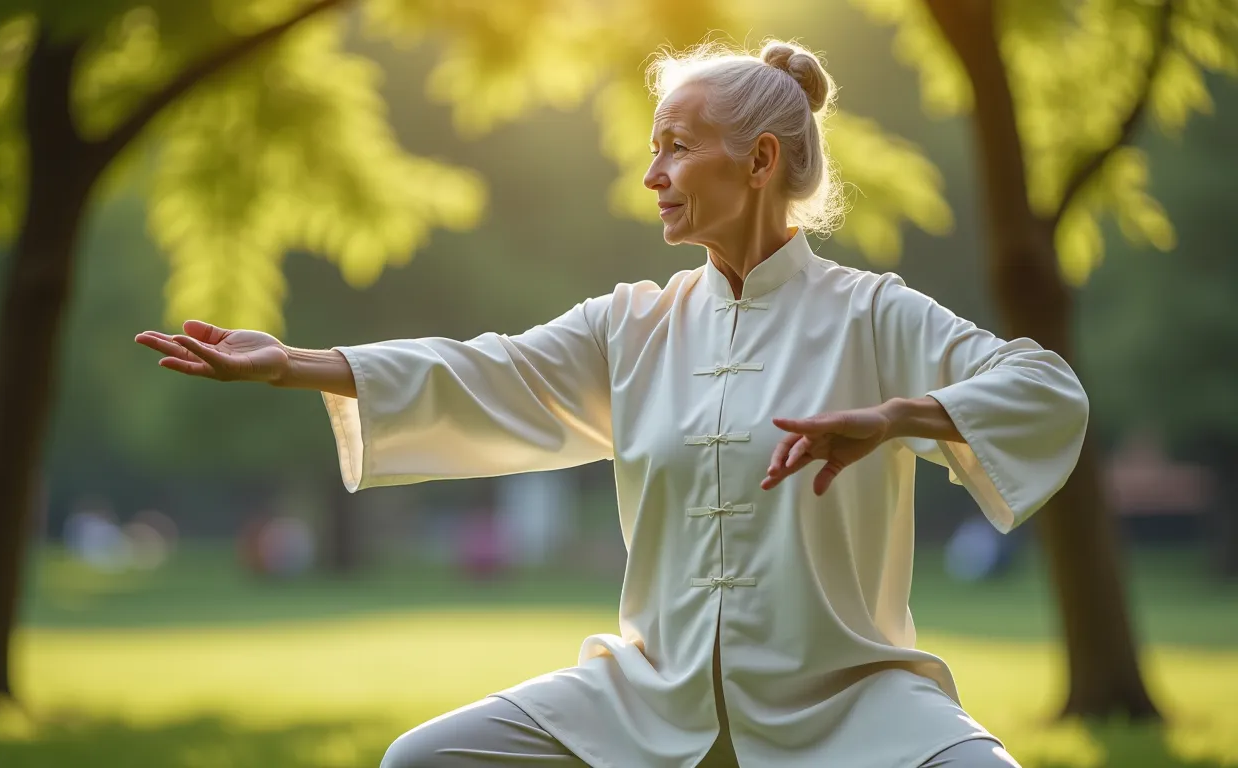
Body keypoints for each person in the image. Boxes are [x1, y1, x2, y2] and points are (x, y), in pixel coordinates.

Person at [136, 39, 1086, 768]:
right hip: (646, 695)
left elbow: (1042, 387)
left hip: (848, 698)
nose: (652, 175)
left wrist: (896, 418)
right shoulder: (630, 325)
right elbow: (482, 370)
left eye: (676, 149)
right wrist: (295, 363)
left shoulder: (875, 314)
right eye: (652, 149)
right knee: (420, 760)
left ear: (759, 162)